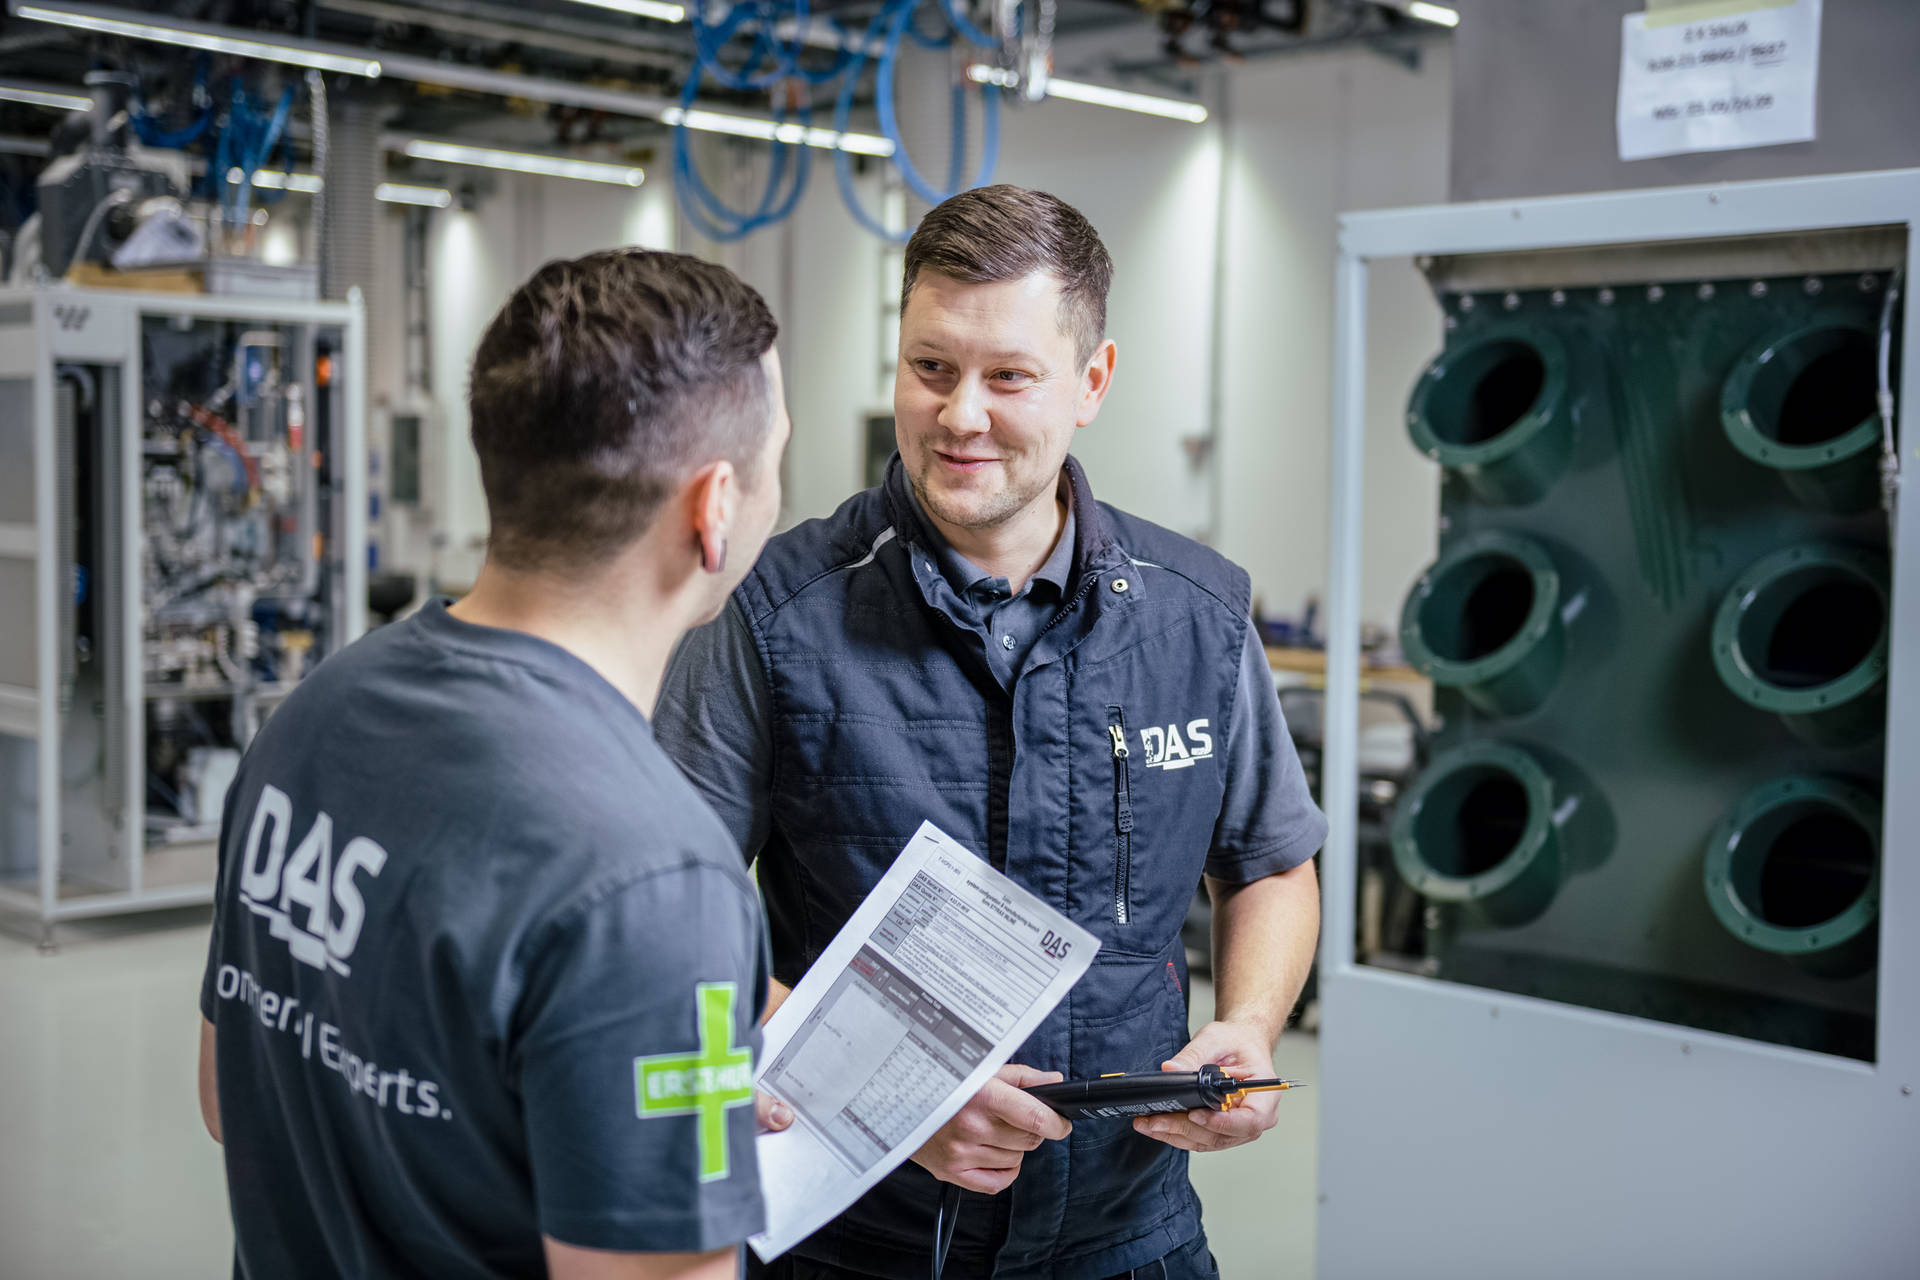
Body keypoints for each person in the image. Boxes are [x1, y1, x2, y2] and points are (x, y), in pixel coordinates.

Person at [655, 186, 1326, 1280]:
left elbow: (1270, 861)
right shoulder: (776, 617)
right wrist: (883, 1089)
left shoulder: (1197, 616)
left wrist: (1248, 1028)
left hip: (1129, 1235)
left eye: (1008, 376)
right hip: (851, 1238)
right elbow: (661, 912)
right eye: (931, 368)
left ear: (1092, 381)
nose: (961, 413)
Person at [197, 249, 795, 1280]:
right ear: (716, 507)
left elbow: (227, 1096)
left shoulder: (314, 716)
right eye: (778, 457)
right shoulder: (655, 873)